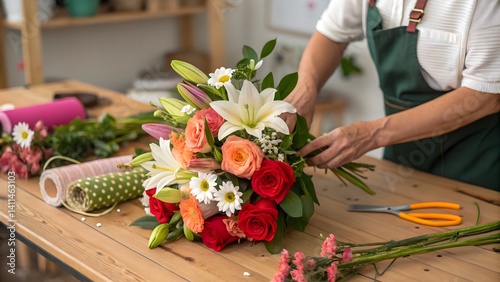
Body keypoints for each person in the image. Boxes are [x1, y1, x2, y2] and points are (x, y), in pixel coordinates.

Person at [283, 0, 500, 191]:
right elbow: (332, 35)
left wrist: (373, 134)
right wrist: (305, 89)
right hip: (401, 157)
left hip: (475, 166)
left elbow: (485, 96)